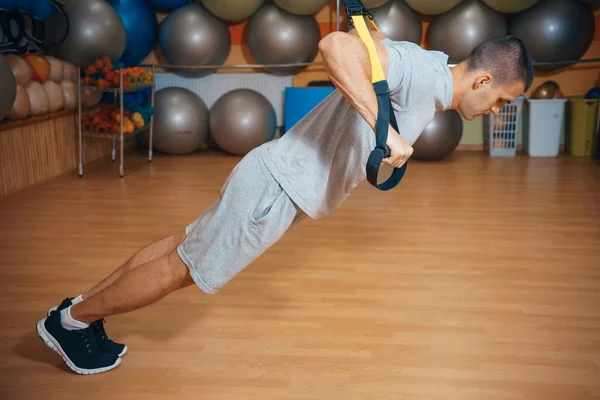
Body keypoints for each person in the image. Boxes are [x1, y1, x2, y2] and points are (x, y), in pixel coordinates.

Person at [36, 28, 534, 374]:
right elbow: (335, 46)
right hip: (276, 188)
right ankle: (70, 323)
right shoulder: (424, 74)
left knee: (181, 247)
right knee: (183, 267)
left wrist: (379, 57)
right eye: (500, 101)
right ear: (484, 80)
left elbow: (375, 51)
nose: (493, 111)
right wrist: (387, 131)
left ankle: (80, 312)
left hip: (274, 179)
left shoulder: (426, 66)